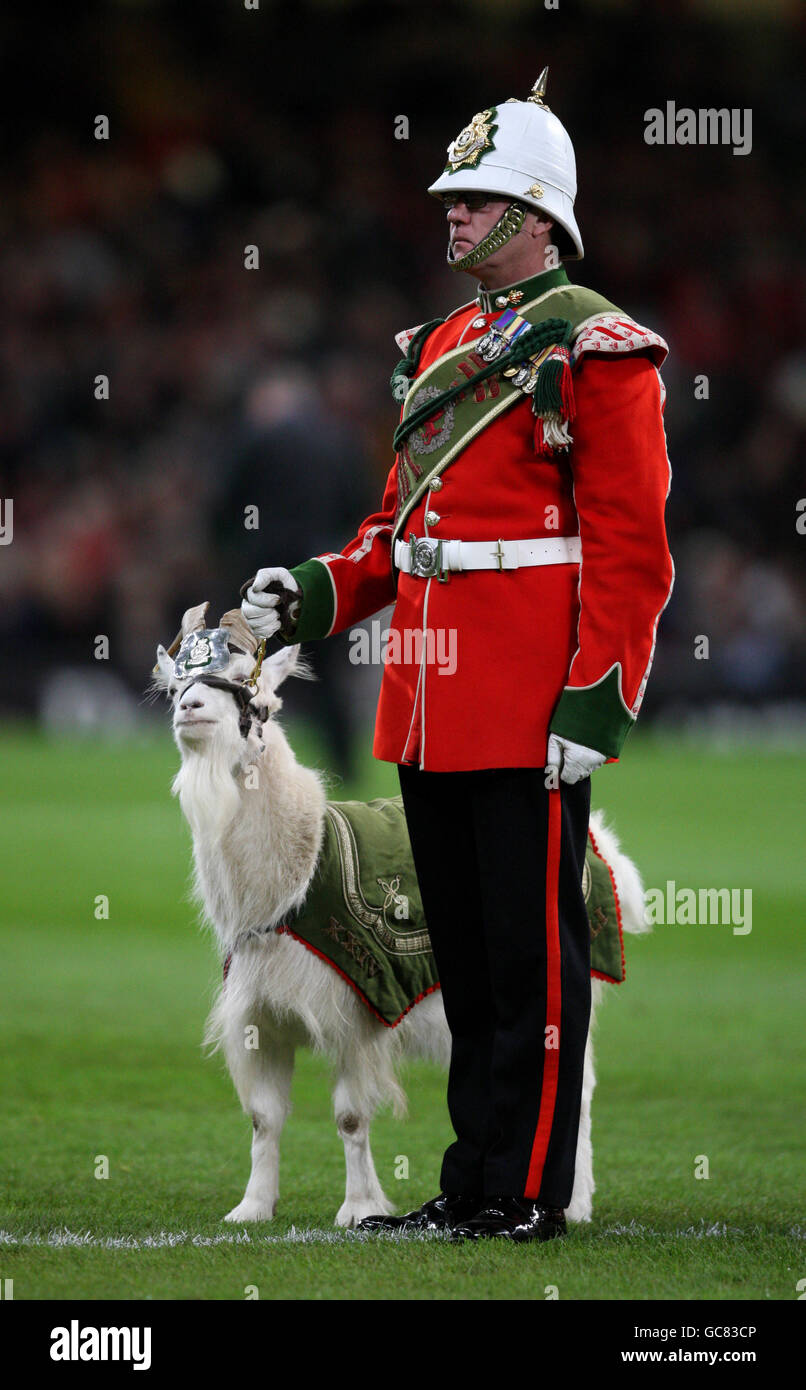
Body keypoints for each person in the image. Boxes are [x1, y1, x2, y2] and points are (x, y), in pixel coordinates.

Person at [240, 68, 674, 1243]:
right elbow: (399, 529)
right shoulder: (439, 342)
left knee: (532, 965)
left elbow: (630, 550)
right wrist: (317, 592)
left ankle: (527, 1190)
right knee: (470, 966)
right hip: (428, 695)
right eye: (451, 194)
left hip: (532, 696)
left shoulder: (597, 349)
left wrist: (596, 697)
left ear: (535, 215)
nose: (450, 210)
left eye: (474, 196)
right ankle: (475, 1180)